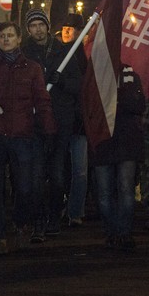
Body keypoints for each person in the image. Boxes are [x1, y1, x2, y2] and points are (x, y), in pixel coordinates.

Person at [0, 22, 56, 256]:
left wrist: (49, 129)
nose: (6, 39)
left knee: (25, 186)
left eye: (10, 35)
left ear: (19, 39)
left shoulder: (33, 69)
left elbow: (42, 101)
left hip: (22, 134)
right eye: (2, 36)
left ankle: (22, 224)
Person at [22, 9, 82, 241]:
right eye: (33, 25)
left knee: (57, 173)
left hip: (59, 121)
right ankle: (38, 220)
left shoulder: (64, 52)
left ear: (48, 26)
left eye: (41, 24)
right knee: (36, 175)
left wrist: (63, 81)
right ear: (28, 30)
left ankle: (54, 216)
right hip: (35, 122)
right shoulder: (25, 54)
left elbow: (78, 85)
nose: (38, 29)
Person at [92, 65, 146, 250]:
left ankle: (124, 232)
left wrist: (118, 95)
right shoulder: (94, 75)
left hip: (126, 140)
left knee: (125, 189)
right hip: (102, 141)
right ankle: (111, 232)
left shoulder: (131, 75)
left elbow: (139, 105)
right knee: (105, 192)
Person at [60, 13, 88, 226]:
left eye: (72, 28)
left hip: (80, 123)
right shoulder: (57, 54)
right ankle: (60, 206)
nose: (67, 31)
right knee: (60, 170)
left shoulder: (86, 55)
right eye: (65, 27)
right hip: (61, 121)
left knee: (80, 170)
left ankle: (75, 211)